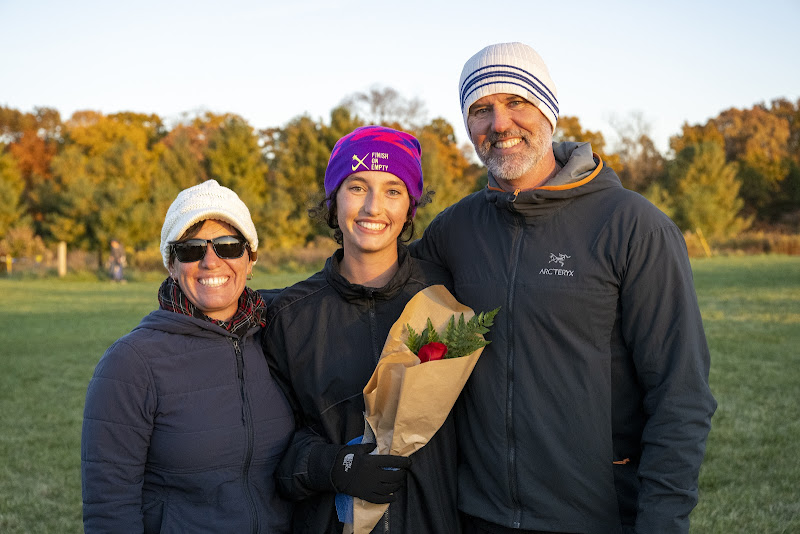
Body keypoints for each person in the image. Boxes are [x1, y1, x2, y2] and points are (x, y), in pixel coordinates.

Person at [409, 42, 717, 534]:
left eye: (517, 102)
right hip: (478, 514)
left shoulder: (633, 226)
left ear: (549, 111)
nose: (500, 124)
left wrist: (662, 521)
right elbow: (370, 288)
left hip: (598, 515)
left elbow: (681, 393)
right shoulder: (456, 229)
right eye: (481, 110)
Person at [262, 125, 459, 533]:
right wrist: (336, 466)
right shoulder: (290, 316)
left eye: (392, 190)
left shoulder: (447, 300)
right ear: (333, 203)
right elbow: (268, 453)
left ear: (410, 208)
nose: (373, 207)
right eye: (356, 187)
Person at [81, 180, 294, 533]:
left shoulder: (278, 336)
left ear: (250, 257)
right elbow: (110, 511)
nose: (211, 261)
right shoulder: (130, 363)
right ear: (171, 264)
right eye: (191, 249)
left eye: (228, 245)